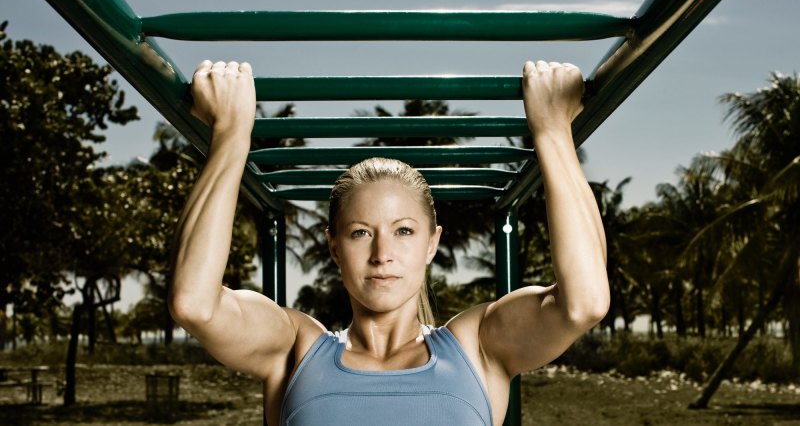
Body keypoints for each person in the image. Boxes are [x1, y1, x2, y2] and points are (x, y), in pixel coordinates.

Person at [169, 60, 609, 426]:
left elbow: (583, 302)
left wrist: (553, 132)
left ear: (432, 244)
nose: (382, 255)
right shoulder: (293, 347)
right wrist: (230, 138)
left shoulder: (479, 346)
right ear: (334, 247)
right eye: (361, 233)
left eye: (403, 231)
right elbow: (195, 303)